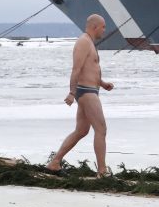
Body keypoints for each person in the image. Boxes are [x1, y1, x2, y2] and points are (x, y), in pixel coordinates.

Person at [45, 14, 114, 177]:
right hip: (86, 92)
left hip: (91, 89)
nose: (104, 30)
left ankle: (54, 163)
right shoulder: (83, 42)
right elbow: (76, 69)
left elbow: (90, 69)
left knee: (81, 131)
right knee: (101, 129)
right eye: (103, 27)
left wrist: (102, 84)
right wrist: (71, 92)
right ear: (94, 26)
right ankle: (102, 171)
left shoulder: (90, 42)